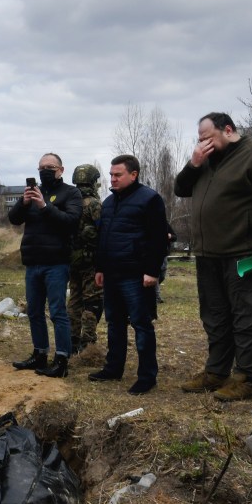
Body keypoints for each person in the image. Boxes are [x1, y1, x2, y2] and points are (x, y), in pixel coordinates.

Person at [174, 112, 252, 401]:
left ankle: (245, 378)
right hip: (209, 254)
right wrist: (194, 162)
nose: (203, 144)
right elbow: (180, 188)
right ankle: (216, 372)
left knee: (247, 316)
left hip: (245, 253)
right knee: (215, 316)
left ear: (228, 130)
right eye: (199, 140)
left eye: (207, 138)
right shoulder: (205, 161)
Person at [88, 155, 168, 395]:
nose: (112, 179)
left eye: (117, 175)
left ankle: (147, 377)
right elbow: (104, 238)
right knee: (114, 324)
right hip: (112, 274)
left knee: (142, 325)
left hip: (136, 275)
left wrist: (152, 272)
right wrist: (100, 268)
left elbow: (158, 238)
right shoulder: (109, 202)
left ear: (133, 174)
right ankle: (113, 369)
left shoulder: (150, 199)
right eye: (111, 175)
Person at [8, 153, 82, 378]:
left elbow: (70, 222)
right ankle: (39, 353)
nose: (44, 170)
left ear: (61, 169)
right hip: (33, 262)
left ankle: (61, 360)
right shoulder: (33, 193)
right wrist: (25, 202)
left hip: (56, 263)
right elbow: (13, 219)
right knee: (35, 312)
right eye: (41, 167)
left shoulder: (71, 193)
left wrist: (44, 206)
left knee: (58, 312)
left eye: (50, 167)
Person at [68, 163, 103, 354]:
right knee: (92, 301)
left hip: (72, 260)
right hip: (90, 261)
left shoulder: (69, 202)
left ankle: (72, 339)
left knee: (74, 300)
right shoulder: (94, 204)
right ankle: (88, 341)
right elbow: (102, 231)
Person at [155, 222, 178, 304]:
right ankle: (157, 297)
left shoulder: (165, 224)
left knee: (162, 275)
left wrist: (170, 236)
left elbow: (175, 237)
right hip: (152, 253)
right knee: (155, 274)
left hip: (164, 253)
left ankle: (151, 289)